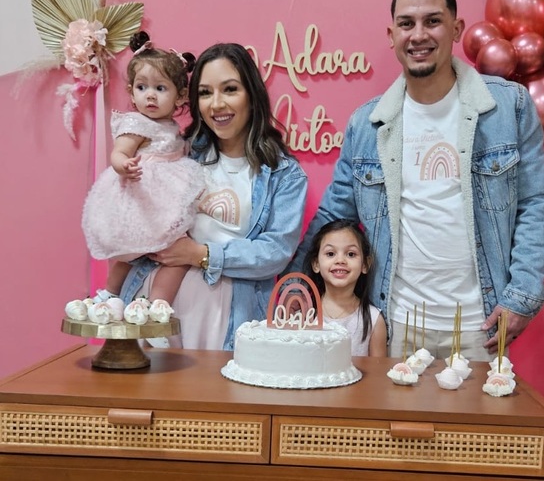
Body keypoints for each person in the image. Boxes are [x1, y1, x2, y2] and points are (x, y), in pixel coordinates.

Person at [288, 0, 544, 361]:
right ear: (391, 35)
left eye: (432, 21)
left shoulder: (507, 108)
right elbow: (333, 214)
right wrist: (295, 282)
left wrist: (522, 295)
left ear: (456, 29)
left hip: (480, 324)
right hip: (396, 323)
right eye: (406, 24)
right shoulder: (368, 124)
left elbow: (534, 203)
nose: (418, 35)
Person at [120, 42, 308, 350]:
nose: (216, 104)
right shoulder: (178, 152)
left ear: (252, 95)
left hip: (228, 317)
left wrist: (200, 254)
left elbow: (276, 251)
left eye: (230, 89)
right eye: (205, 93)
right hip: (154, 305)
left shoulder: (283, 174)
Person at [82, 31, 203, 311]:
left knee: (175, 254)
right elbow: (119, 151)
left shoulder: (173, 128)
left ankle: (157, 304)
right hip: (142, 200)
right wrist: (123, 165)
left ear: (180, 96)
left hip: (165, 201)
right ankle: (110, 292)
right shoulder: (136, 123)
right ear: (131, 92)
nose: (150, 95)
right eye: (141, 87)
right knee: (130, 254)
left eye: (160, 88)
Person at [304, 220, 387, 356]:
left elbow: (378, 367)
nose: (340, 260)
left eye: (351, 254)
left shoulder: (374, 320)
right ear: (316, 264)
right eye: (330, 254)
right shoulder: (303, 315)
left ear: (365, 264)